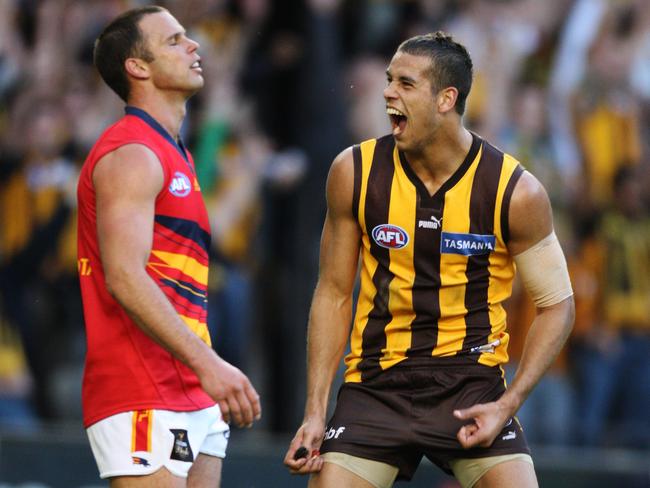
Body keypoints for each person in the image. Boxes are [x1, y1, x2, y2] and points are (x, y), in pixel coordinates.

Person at [283, 32, 574, 488]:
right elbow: (334, 293)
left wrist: (507, 404)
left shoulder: (515, 191)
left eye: (405, 83)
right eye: (387, 80)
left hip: (470, 382)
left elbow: (558, 305)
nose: (387, 93)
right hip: (376, 383)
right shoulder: (354, 172)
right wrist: (315, 412)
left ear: (446, 99)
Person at [76, 6, 261, 487]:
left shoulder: (173, 149)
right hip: (142, 385)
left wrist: (203, 369)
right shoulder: (132, 153)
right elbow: (125, 277)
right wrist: (211, 365)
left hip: (193, 385)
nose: (194, 45)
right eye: (175, 40)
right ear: (137, 67)